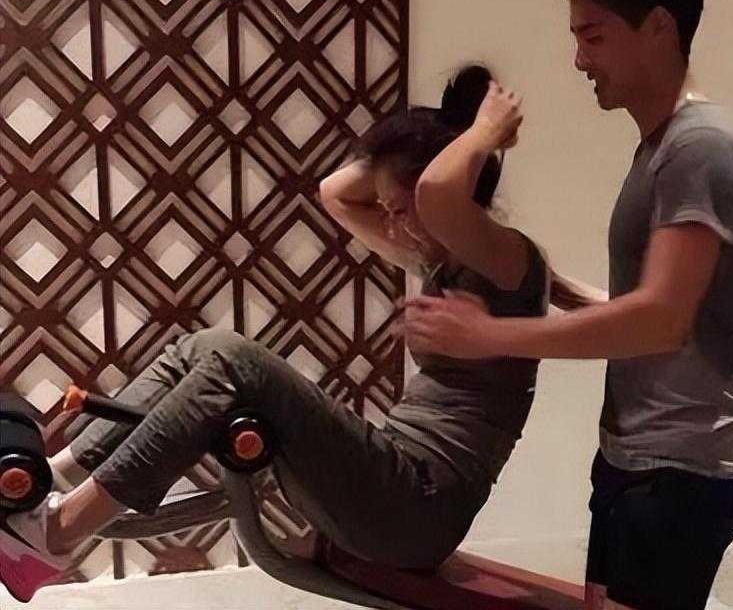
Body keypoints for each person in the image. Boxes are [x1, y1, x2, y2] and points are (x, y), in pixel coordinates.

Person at [0, 65, 584, 604]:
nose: (391, 222)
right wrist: (421, 144)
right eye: (385, 208)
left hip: (418, 506)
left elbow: (436, 193)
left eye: (399, 208)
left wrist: (483, 134)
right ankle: (46, 483)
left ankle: (58, 534)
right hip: (397, 485)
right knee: (202, 347)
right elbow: (337, 192)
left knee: (234, 360)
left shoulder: (505, 257)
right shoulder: (442, 257)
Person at [401, 0, 733, 610]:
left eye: (593, 37)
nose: (577, 60)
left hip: (679, 469)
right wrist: (554, 288)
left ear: (659, 26)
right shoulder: (663, 148)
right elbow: (661, 310)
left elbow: (660, 320)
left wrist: (490, 336)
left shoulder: (699, 148)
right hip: (643, 459)